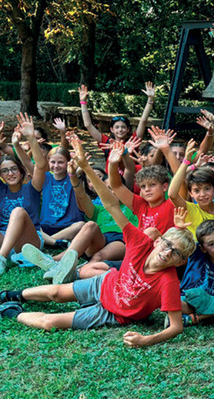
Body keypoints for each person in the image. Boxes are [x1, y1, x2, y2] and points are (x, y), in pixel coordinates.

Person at [0, 135, 195, 347]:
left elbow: (176, 326)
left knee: (50, 322)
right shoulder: (141, 241)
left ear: (179, 262)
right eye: (167, 246)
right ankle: (10, 294)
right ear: (159, 242)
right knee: (55, 292)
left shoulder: (168, 281)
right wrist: (88, 166)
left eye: (175, 253)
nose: (167, 253)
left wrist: (146, 339)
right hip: (106, 284)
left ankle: (11, 311)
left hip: (113, 312)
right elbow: (111, 202)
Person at [0, 114, 45, 275]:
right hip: (4, 240)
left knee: (17, 211)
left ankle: (1, 259)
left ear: (20, 172)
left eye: (13, 169)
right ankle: (6, 256)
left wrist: (31, 138)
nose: (10, 174)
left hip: (28, 243)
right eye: (4, 171)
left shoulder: (31, 189)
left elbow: (40, 166)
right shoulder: (1, 190)